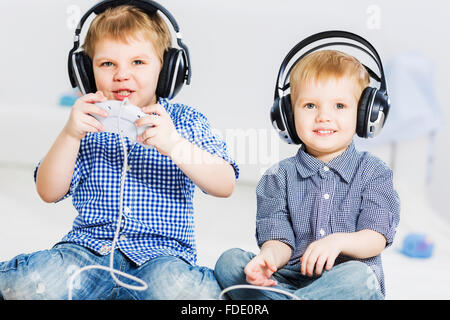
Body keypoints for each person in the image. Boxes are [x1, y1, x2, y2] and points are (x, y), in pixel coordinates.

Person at [0, 3, 238, 300]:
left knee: (184, 292)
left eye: (138, 62)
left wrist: (174, 144)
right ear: (86, 72)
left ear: (167, 68)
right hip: (86, 252)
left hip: (160, 256)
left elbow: (225, 183)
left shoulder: (184, 121)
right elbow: (48, 191)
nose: (122, 74)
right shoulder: (85, 123)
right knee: (26, 284)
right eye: (107, 64)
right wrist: (70, 134)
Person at [214, 49, 400, 300]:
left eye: (340, 106)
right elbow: (279, 241)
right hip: (291, 280)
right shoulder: (277, 177)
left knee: (360, 276)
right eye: (310, 105)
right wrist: (268, 259)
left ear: (364, 114)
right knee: (230, 262)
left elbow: (375, 238)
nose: (324, 116)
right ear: (288, 116)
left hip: (346, 283)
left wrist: (337, 242)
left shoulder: (374, 173)